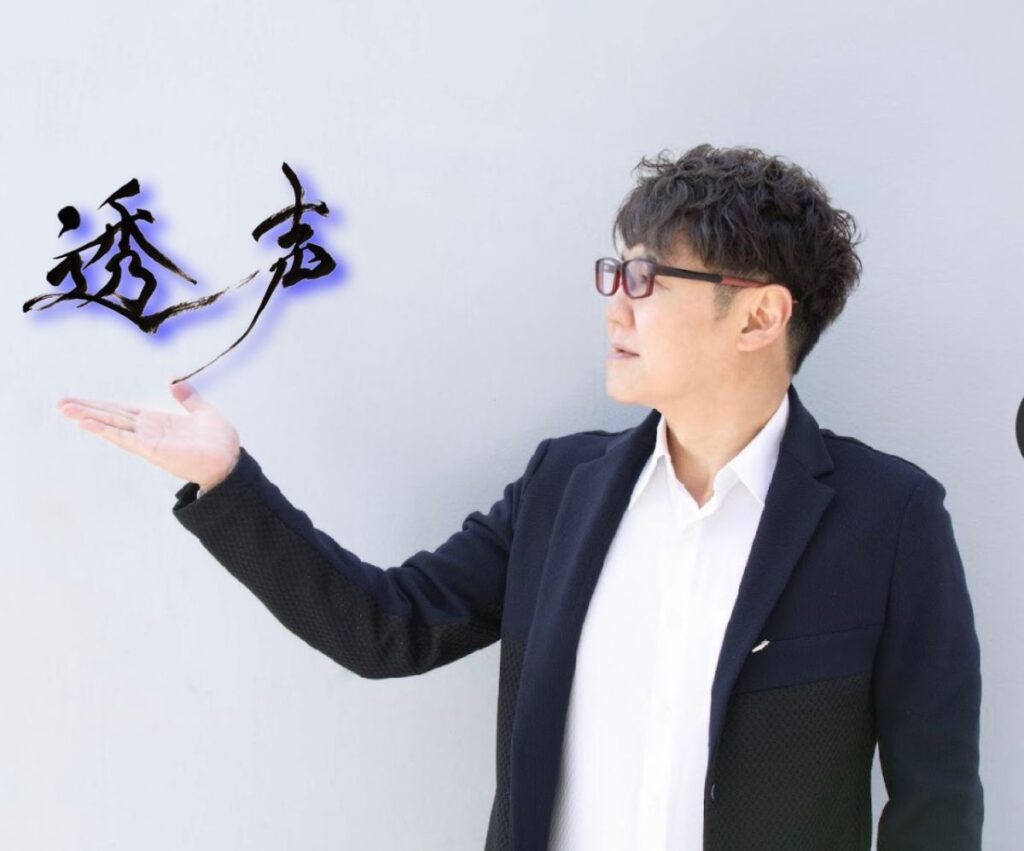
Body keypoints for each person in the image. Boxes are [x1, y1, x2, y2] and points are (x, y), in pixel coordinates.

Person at [57, 143, 984, 849]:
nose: (615, 305)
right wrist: (226, 478)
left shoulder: (890, 518)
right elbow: (388, 626)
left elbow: (936, 801)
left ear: (760, 315)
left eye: (647, 279)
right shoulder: (562, 490)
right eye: (614, 273)